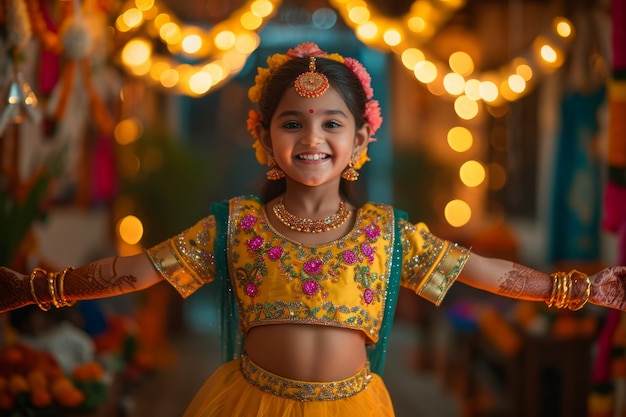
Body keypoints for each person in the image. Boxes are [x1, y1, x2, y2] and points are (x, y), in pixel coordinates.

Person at [1, 42, 626, 417]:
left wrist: (576, 292)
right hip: (247, 403)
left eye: (332, 124)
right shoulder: (235, 225)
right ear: (265, 139)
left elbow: (482, 271)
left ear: (360, 140)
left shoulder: (390, 234)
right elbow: (138, 270)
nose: (312, 138)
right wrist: (36, 289)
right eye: (292, 123)